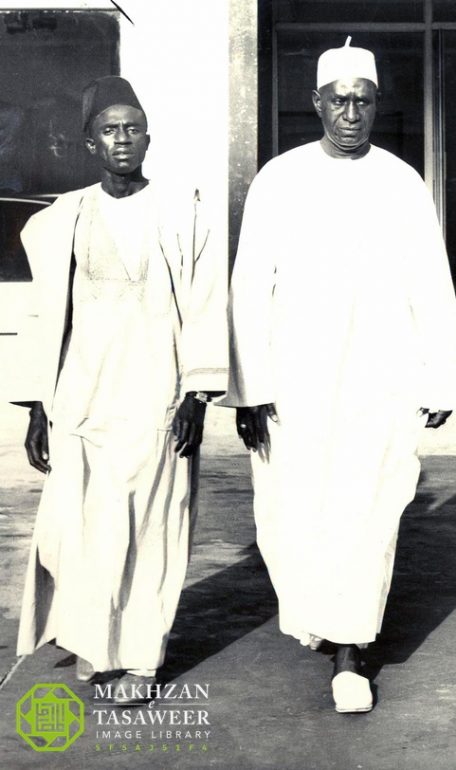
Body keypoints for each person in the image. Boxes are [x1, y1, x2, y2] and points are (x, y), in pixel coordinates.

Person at [226, 39, 456, 714]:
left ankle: (351, 651)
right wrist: (251, 387)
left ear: (377, 105)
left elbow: (431, 283)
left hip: (378, 379)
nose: (352, 112)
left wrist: (441, 375)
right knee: (292, 512)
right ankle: (320, 619)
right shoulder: (280, 179)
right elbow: (249, 288)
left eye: (363, 100)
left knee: (369, 509)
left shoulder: (403, 183)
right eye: (340, 100)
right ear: (318, 104)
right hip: (295, 384)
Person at [14, 76, 226, 701]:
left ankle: (139, 658)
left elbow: (207, 306)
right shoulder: (63, 221)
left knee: (155, 527)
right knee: (83, 529)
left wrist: (198, 394)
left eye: (133, 127)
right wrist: (35, 406)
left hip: (157, 399)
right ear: (89, 143)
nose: (123, 139)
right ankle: (94, 642)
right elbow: (43, 315)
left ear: (148, 136)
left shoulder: (182, 215)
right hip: (82, 401)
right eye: (110, 130)